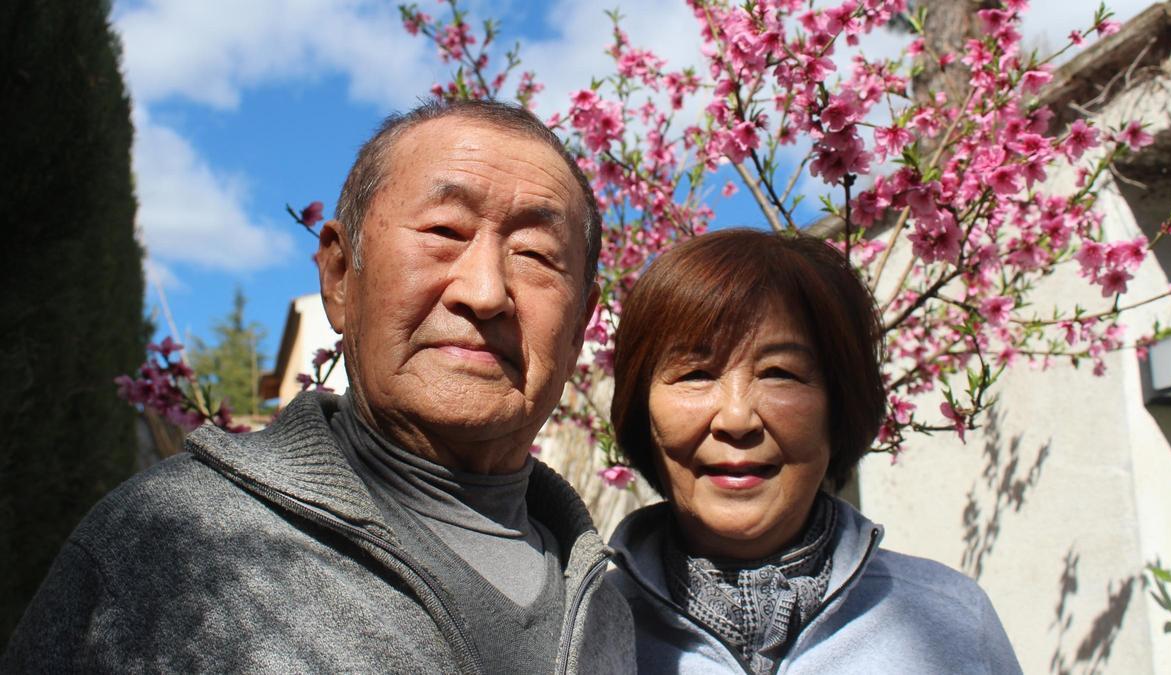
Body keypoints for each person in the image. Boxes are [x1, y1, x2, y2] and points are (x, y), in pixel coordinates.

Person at [2, 100, 634, 674]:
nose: (484, 291)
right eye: (443, 232)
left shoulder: (609, 601)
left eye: (535, 254)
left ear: (581, 323)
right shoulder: (164, 542)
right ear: (338, 275)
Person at [606, 229, 1021, 674]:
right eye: (695, 374)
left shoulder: (950, 618)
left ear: (838, 408)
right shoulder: (585, 633)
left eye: (780, 373)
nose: (736, 418)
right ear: (641, 408)